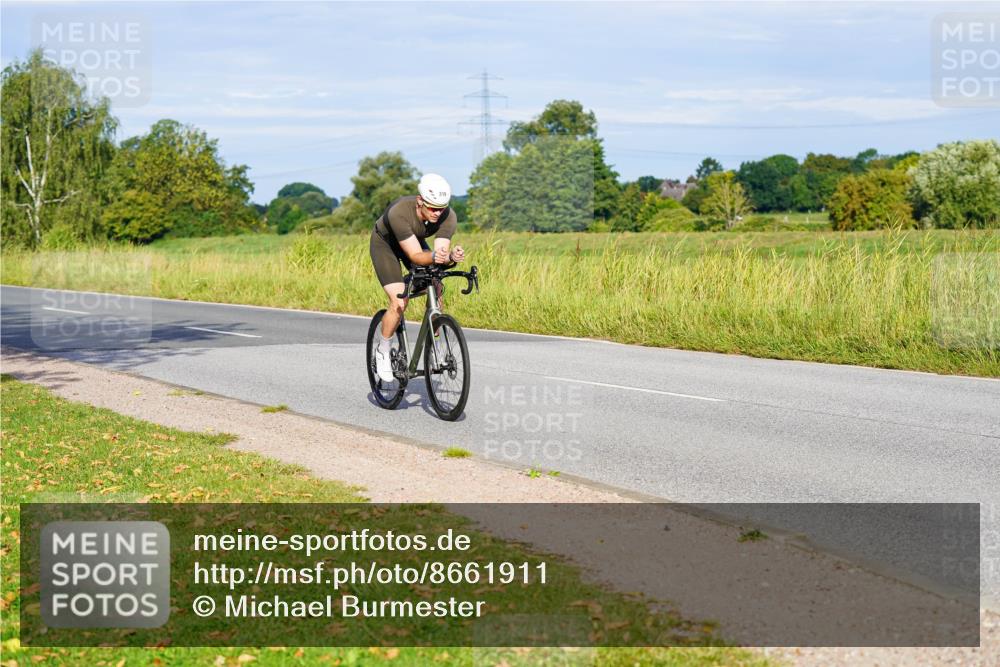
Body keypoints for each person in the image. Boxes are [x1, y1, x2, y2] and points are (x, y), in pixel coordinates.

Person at [369, 173, 465, 383]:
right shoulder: (399, 213)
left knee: (436, 283)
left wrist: (450, 257)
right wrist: (434, 256)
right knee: (399, 301)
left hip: (413, 241)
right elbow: (415, 256)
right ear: (420, 201)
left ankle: (433, 338)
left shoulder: (448, 216)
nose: (438, 213)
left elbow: (438, 257)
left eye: (441, 208)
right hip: (385, 246)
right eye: (432, 208)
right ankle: (383, 349)